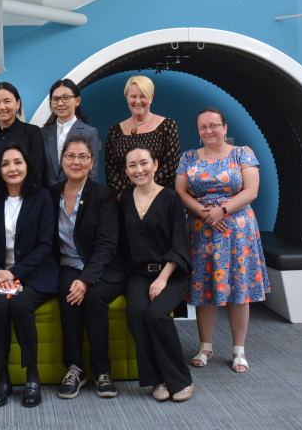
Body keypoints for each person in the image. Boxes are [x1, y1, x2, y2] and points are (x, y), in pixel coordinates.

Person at [175, 107, 270, 373]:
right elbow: (180, 192)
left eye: (214, 125)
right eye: (203, 127)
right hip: (201, 229)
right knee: (204, 288)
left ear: (225, 128)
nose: (209, 131)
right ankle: (205, 346)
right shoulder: (188, 157)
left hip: (237, 231)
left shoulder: (243, 153)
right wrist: (205, 213)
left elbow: (251, 190)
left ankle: (239, 350)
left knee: (239, 289)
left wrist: (223, 210)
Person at [0, 143, 57, 408]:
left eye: (18, 162)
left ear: (27, 165)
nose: (12, 168)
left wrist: (12, 273)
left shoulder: (42, 198)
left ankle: (32, 376)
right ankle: (3, 379)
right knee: (0, 307)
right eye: (5, 164)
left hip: (33, 275)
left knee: (21, 304)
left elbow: (44, 246)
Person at [49, 135, 124, 400]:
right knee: (69, 295)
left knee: (92, 298)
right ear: (62, 160)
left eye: (83, 157)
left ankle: (103, 371)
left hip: (103, 268)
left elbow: (107, 245)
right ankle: (75, 368)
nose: (76, 162)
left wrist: (86, 279)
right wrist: (77, 281)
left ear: (92, 163)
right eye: (70, 156)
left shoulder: (104, 196)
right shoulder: (51, 194)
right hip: (67, 264)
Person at [119, 143, 194, 402]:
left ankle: (180, 379)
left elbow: (180, 244)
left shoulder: (171, 198)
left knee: (157, 314)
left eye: (144, 163)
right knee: (136, 311)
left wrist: (162, 278)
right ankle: (156, 379)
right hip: (138, 275)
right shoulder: (124, 199)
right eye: (132, 165)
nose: (139, 170)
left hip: (170, 274)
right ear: (126, 170)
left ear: (155, 165)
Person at [104, 75, 180, 193]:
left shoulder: (167, 126)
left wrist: (146, 193)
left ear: (151, 98)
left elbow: (171, 166)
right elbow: (111, 171)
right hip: (124, 200)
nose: (138, 101)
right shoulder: (115, 131)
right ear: (127, 97)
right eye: (133, 96)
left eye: (143, 96)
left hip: (159, 197)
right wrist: (126, 196)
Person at [0, 82, 43, 207]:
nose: (2, 107)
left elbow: (37, 171)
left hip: (23, 200)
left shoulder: (32, 132)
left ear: (17, 104)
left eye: (7, 101)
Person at [41, 79, 99, 186]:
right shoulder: (43, 133)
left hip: (76, 194)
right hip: (47, 195)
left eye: (66, 98)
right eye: (55, 99)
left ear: (77, 101)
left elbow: (92, 174)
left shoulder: (90, 132)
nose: (60, 103)